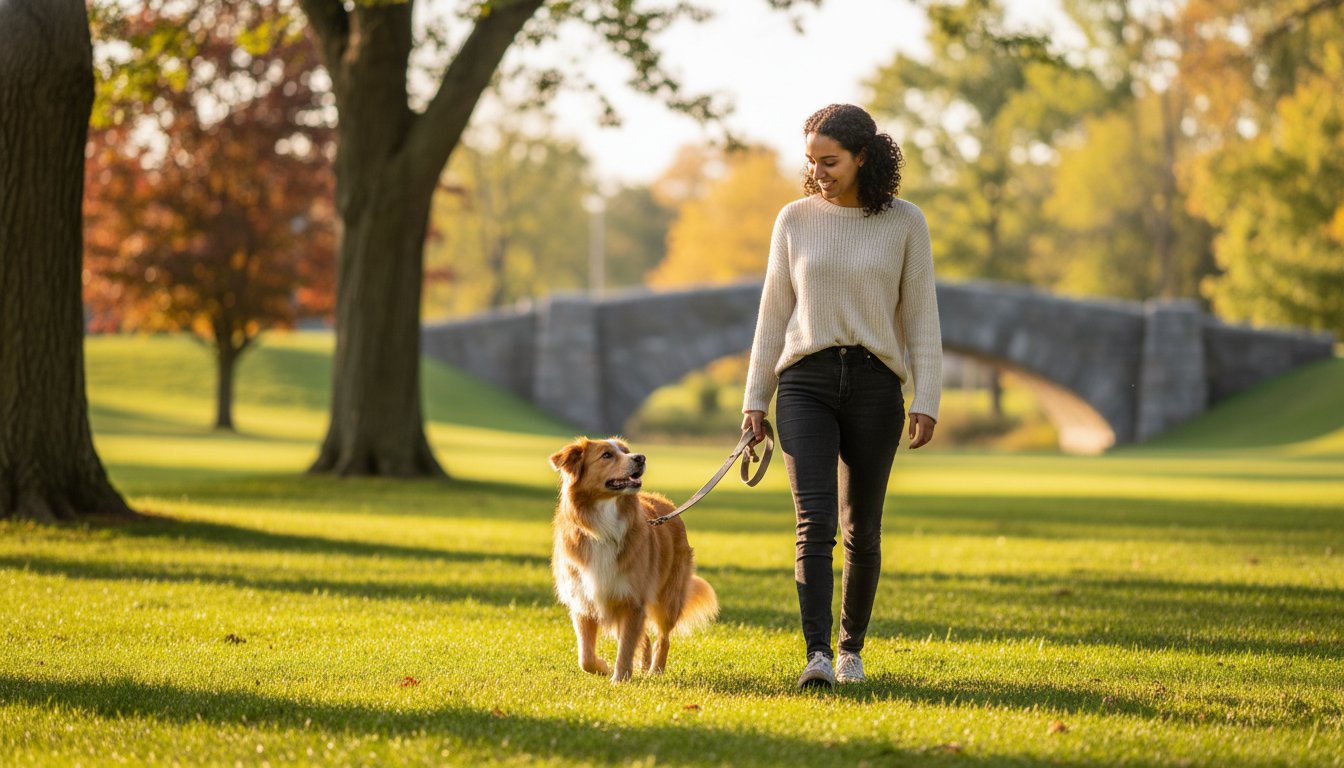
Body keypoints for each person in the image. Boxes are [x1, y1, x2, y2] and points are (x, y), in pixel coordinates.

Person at [741, 103, 942, 689]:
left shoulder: (906, 222)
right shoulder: (794, 219)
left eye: (830, 161)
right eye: (811, 162)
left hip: (877, 384)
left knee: (864, 528)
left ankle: (851, 651)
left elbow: (922, 316)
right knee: (815, 523)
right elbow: (773, 313)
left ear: (863, 157)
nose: (818, 172)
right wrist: (756, 398)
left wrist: (925, 396)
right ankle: (817, 655)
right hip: (805, 380)